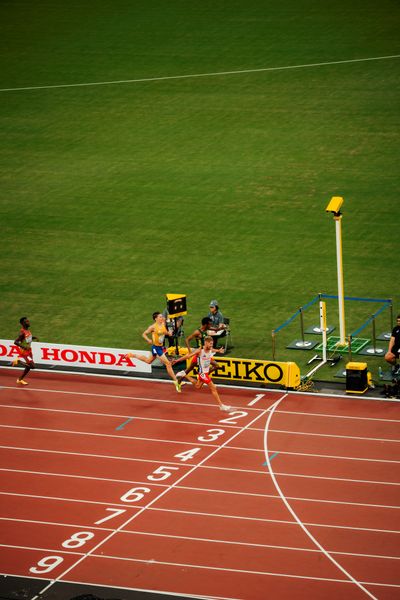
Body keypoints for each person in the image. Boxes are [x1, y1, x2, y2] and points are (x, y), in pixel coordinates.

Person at [125, 312, 181, 392]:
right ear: (156, 318)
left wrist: (170, 333)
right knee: (168, 364)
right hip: (156, 348)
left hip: (160, 347)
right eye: (160, 317)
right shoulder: (153, 327)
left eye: (162, 317)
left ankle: (132, 355)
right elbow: (144, 334)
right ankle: (176, 382)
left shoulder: (163, 324)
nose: (162, 318)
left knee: (148, 361)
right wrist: (148, 340)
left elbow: (166, 332)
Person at [173, 336, 232, 411]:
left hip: (206, 372)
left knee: (198, 386)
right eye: (210, 344)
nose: (211, 345)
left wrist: (218, 350)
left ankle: (184, 374)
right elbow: (188, 356)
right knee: (213, 387)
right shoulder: (200, 351)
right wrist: (177, 360)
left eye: (212, 344)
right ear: (206, 343)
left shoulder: (210, 349)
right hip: (202, 373)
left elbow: (213, 350)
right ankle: (221, 405)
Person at [12, 317, 39, 385]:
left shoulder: (28, 330)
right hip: (25, 352)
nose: (28, 322)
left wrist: (34, 337)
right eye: (26, 322)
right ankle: (18, 361)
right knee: (32, 366)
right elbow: (15, 342)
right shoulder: (22, 332)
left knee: (28, 367)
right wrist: (24, 347)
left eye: (28, 321)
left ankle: (20, 380)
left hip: (29, 350)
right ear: (23, 323)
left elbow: (27, 338)